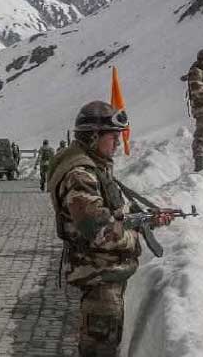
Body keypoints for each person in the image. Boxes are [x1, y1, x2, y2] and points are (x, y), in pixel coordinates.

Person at [48, 101, 173, 356]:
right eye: (113, 136)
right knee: (99, 349)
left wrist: (145, 219)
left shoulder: (92, 167)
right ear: (93, 137)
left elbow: (108, 217)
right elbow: (99, 232)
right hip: (99, 277)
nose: (117, 143)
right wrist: (134, 237)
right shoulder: (81, 175)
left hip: (103, 274)